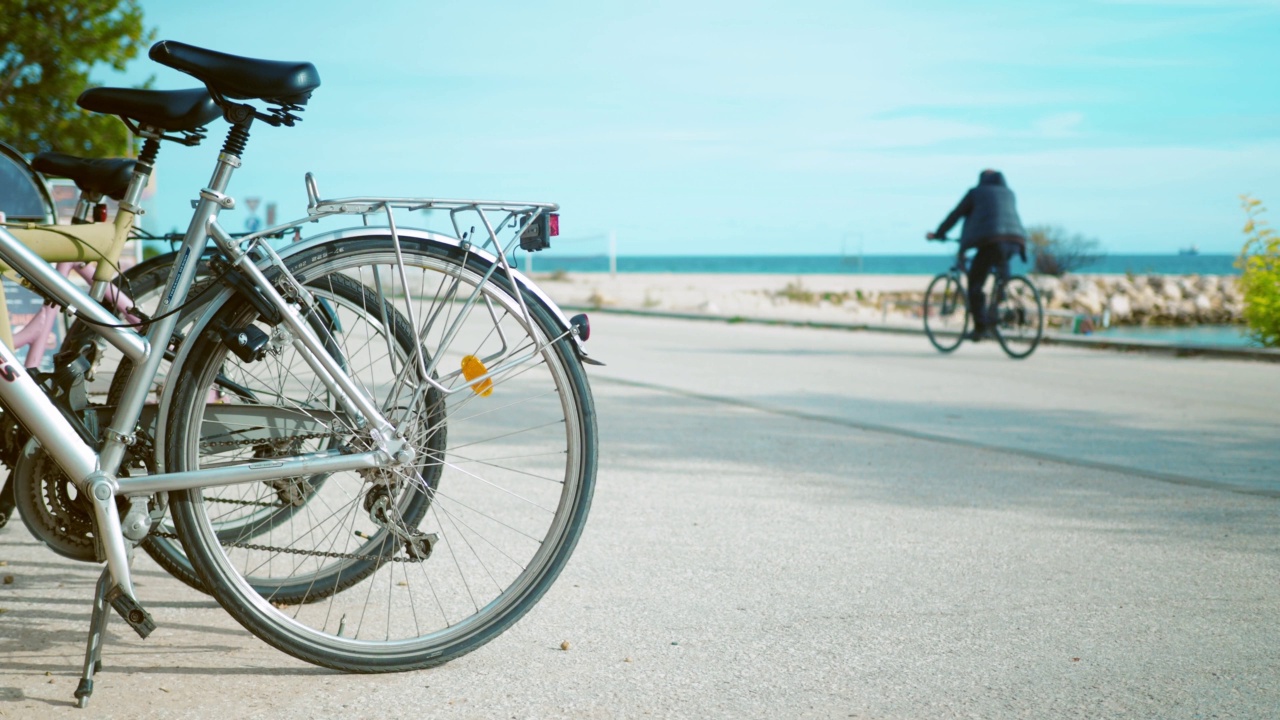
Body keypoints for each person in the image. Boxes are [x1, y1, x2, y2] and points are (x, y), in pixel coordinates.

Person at [926, 169, 1028, 340]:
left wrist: (938, 233)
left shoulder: (976, 193)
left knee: (975, 283)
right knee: (1002, 277)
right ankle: (999, 306)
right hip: (1016, 240)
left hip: (991, 240)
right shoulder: (1009, 193)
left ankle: (981, 327)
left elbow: (956, 215)